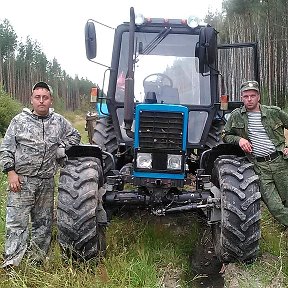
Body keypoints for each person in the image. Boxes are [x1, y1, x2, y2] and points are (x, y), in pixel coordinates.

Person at [0, 81, 81, 268]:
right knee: (17, 224)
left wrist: (62, 148)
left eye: (45, 98)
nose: (41, 101)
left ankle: (37, 261)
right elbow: (6, 149)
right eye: (38, 97)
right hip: (22, 181)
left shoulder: (58, 121)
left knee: (43, 225)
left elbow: (75, 136)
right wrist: (11, 173)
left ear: (51, 100)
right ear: (32, 100)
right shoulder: (19, 121)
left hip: (46, 182)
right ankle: (13, 263)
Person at [222, 80, 288, 227]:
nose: (249, 99)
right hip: (260, 167)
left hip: (280, 162)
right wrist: (239, 140)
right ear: (241, 97)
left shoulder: (273, 112)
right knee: (275, 207)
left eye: (253, 95)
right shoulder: (236, 116)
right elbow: (224, 135)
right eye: (246, 96)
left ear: (259, 96)